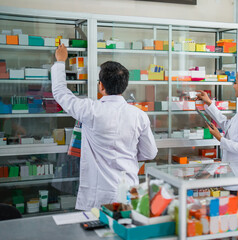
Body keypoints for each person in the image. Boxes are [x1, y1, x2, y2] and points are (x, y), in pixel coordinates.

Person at [51, 44, 158, 210]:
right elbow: (150, 153)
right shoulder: (139, 115)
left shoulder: (90, 110)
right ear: (124, 86)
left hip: (98, 195)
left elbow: (60, 92)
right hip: (128, 191)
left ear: (101, 86)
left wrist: (60, 62)